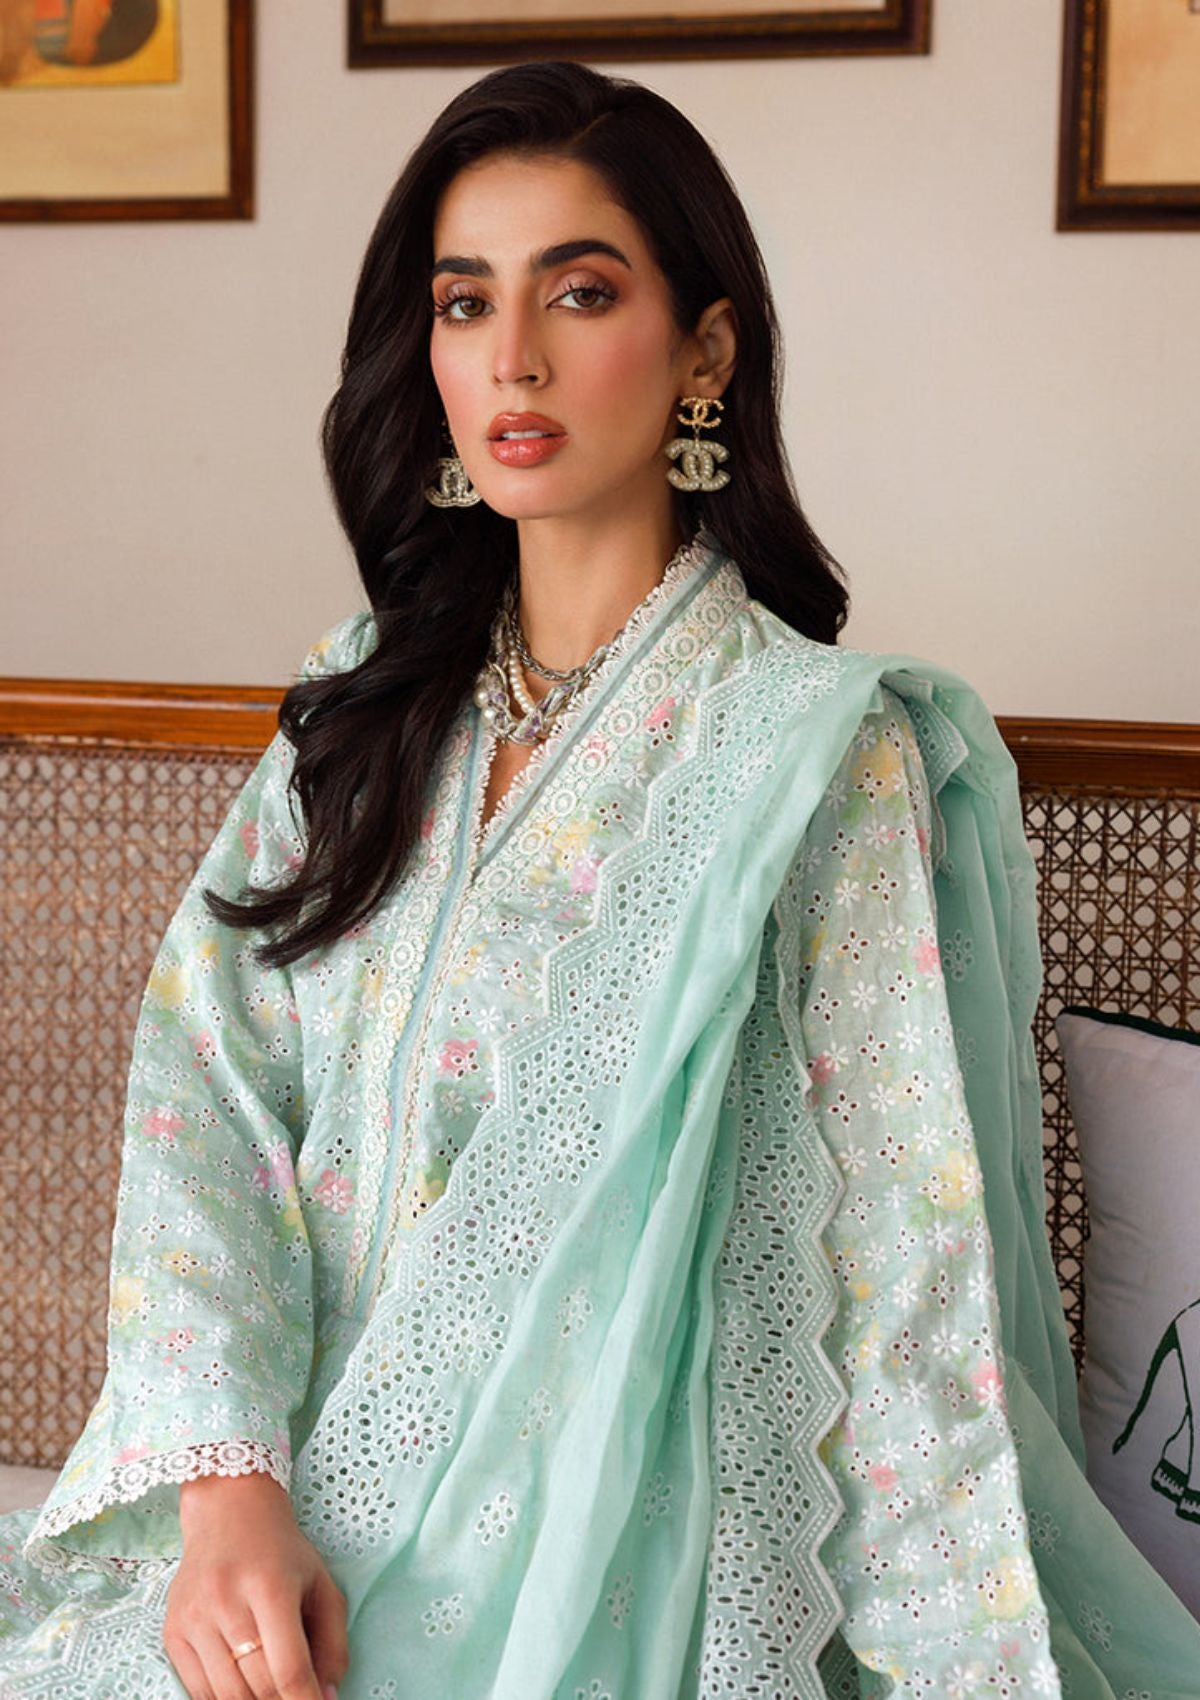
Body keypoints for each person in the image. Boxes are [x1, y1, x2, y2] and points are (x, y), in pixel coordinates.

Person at [1, 57, 1198, 1700]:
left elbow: (898, 1253)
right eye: (464, 301)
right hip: (277, 1512)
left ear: (706, 350)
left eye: (579, 292)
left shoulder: (815, 753)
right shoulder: (355, 710)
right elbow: (207, 1090)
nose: (513, 357)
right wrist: (224, 1490)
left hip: (610, 1551)